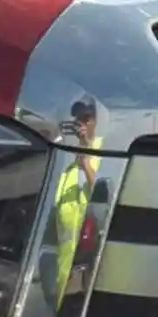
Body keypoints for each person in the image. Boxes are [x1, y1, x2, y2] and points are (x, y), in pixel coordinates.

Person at [52, 97, 101, 305]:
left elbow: (100, 191)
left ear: (95, 120)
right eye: (78, 119)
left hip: (84, 245)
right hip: (63, 249)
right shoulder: (73, 157)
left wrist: (86, 160)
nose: (81, 123)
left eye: (86, 118)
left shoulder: (100, 149)